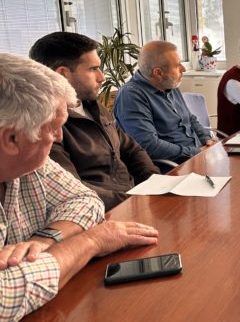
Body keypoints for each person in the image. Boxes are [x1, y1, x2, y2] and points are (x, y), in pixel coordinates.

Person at [0, 54, 158, 320]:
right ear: (12, 138)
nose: (59, 137)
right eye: (53, 129)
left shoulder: (27, 163)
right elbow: (5, 297)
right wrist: (91, 240)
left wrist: (46, 239)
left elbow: (86, 200)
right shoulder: (27, 157)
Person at [29, 32, 159, 211]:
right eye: (93, 69)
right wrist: (132, 201)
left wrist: (154, 181)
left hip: (135, 199)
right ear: (63, 74)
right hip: (103, 213)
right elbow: (73, 188)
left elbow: (131, 149)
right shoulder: (46, 126)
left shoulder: (95, 106)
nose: (102, 77)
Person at [114, 41, 215, 164]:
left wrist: (207, 140)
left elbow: (190, 119)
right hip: (172, 167)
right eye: (178, 65)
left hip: (197, 157)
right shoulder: (131, 95)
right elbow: (149, 146)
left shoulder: (169, 84)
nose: (183, 69)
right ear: (158, 73)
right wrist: (196, 152)